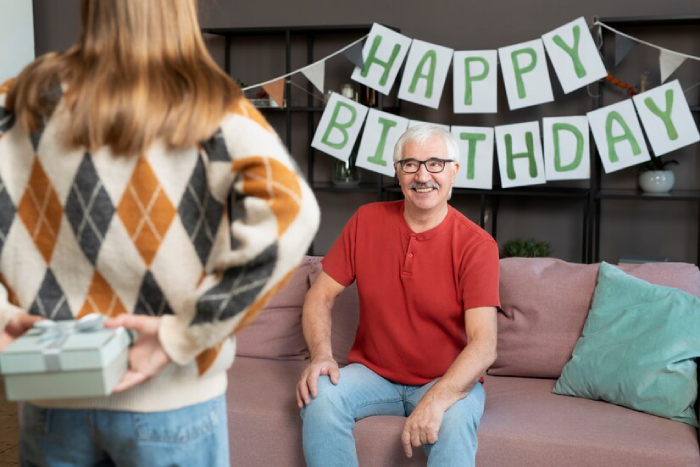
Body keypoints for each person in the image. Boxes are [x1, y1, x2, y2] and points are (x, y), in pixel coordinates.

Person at [0, 0, 319, 465]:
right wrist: (183, 335)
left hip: (52, 395)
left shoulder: (19, 99)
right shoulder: (208, 103)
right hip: (173, 400)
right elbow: (294, 213)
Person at [297, 124, 499, 467]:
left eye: (435, 164)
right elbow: (320, 296)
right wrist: (321, 356)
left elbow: (485, 344)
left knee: (452, 422)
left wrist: (437, 399)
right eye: (411, 164)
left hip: (445, 378)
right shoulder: (366, 221)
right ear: (397, 172)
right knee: (320, 396)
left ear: (454, 172)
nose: (423, 175)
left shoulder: (477, 245)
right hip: (374, 375)